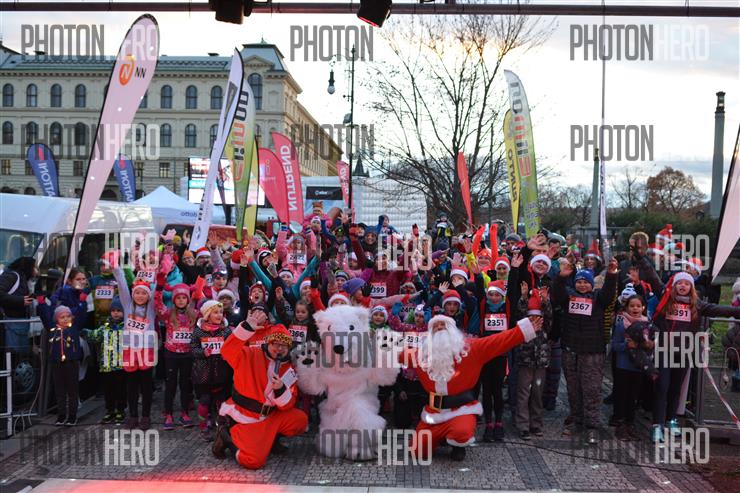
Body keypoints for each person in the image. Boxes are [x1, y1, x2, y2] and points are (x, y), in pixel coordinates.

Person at [400, 313, 542, 461]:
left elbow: (498, 341)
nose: (440, 327)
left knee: (461, 432)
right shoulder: (421, 354)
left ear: (453, 330)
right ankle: (440, 437)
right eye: (436, 326)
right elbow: (395, 354)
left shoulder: (471, 348)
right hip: (433, 413)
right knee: (416, 450)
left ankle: (457, 446)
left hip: (460, 411)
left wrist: (522, 330)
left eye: (444, 325)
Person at [212, 312, 307, 469]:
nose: (279, 348)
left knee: (300, 420)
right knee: (253, 461)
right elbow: (227, 351)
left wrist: (280, 389)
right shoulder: (250, 354)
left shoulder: (289, 369)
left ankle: (271, 439)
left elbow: (288, 404)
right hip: (246, 415)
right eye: (275, 343)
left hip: (270, 416)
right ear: (268, 343)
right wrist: (246, 328)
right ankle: (226, 436)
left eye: (283, 345)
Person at [552, 258, 618, 444]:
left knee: (592, 390)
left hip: (593, 352)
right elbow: (557, 293)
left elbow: (609, 294)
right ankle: (576, 420)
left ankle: (592, 426)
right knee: (573, 389)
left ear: (592, 284)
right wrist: (561, 277)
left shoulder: (598, 298)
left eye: (586, 282)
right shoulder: (569, 297)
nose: (582, 285)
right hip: (571, 350)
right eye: (579, 281)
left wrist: (611, 274)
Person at [113, 267, 157, 431]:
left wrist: (156, 272)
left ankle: (145, 416)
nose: (140, 296)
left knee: (146, 385)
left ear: (148, 296)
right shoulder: (127, 305)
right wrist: (116, 268)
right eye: (137, 293)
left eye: (144, 293)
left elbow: (155, 286)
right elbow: (122, 285)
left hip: (146, 349)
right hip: (130, 350)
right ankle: (132, 416)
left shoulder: (151, 307)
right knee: (131, 385)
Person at [155, 273, 197, 430]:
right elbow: (157, 304)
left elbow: (208, 311)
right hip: (171, 354)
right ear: (173, 300)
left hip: (187, 354)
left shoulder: (194, 314)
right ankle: (168, 413)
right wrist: (159, 287)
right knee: (170, 384)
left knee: (185, 384)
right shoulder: (168, 314)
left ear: (188, 300)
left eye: (184, 298)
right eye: (178, 298)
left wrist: (201, 292)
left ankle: (184, 413)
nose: (181, 300)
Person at [38, 298, 87, 426]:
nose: (65, 319)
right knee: (59, 391)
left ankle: (72, 416)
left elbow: (82, 313)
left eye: (68, 316)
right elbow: (45, 315)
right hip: (56, 363)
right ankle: (61, 415)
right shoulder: (52, 328)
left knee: (72, 391)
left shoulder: (74, 328)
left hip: (72, 363)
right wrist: (42, 303)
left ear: (72, 317)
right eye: (62, 317)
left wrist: (82, 302)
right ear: (56, 319)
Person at [191, 299, 233, 440]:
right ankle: (203, 427)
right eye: (215, 312)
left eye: (221, 312)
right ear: (207, 315)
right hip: (203, 373)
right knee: (205, 400)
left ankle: (221, 425)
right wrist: (203, 352)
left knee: (220, 400)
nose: (219, 315)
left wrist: (227, 354)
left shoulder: (226, 331)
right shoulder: (199, 331)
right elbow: (193, 348)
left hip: (220, 372)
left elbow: (231, 347)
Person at [611, 295, 650, 441]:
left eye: (638, 306)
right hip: (623, 366)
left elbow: (651, 345)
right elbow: (615, 345)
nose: (635, 308)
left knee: (634, 397)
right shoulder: (622, 324)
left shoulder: (647, 325)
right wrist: (627, 345)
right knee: (622, 395)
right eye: (632, 306)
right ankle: (620, 425)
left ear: (643, 308)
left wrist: (649, 345)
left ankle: (630, 424)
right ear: (626, 308)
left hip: (638, 366)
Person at [85, 296, 127, 424]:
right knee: (108, 390)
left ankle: (120, 410)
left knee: (121, 389)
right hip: (107, 365)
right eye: (113, 310)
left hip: (121, 365)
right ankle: (110, 410)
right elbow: (95, 336)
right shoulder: (105, 327)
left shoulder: (126, 327)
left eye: (119, 311)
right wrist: (84, 332)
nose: (116, 313)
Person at [0, 256, 38, 353]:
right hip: (11, 322)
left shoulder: (24, 279)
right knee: (13, 354)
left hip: (20, 323)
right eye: (34, 267)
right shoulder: (12, 276)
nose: (36, 270)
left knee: (21, 354)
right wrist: (20, 300)